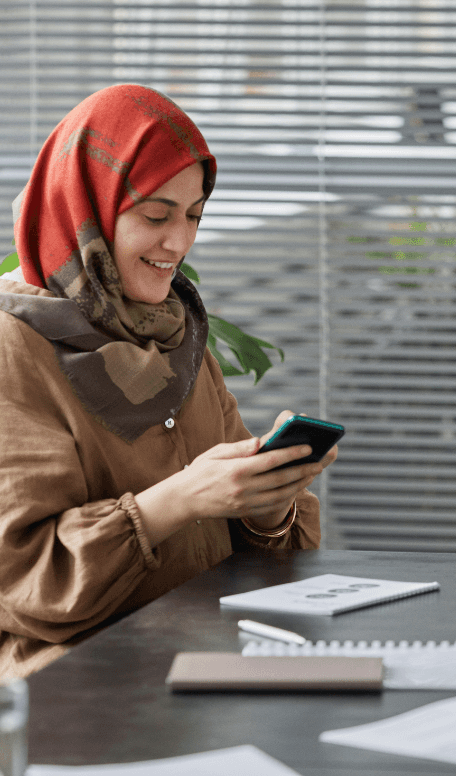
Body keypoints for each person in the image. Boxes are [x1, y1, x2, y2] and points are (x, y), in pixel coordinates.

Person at [0, 85, 336, 679]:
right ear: (87, 209)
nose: (178, 242)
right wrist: (178, 500)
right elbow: (25, 577)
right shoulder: (14, 350)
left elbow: (251, 557)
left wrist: (267, 502)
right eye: (155, 215)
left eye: (193, 216)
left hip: (207, 657)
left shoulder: (173, 332)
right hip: (84, 683)